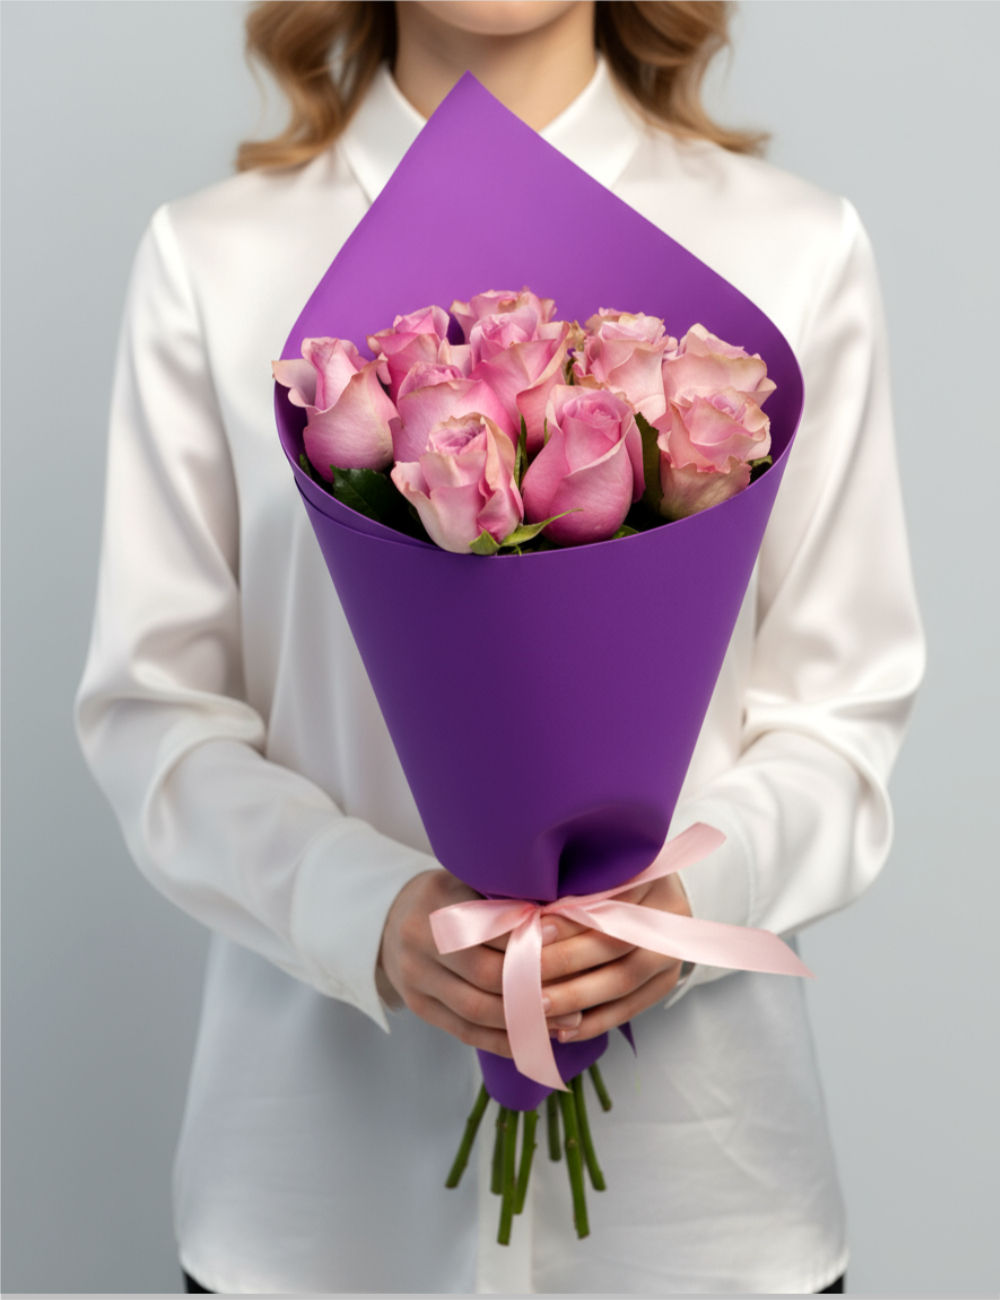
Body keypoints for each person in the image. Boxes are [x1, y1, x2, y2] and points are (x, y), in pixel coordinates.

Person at [75, 1, 924, 1293]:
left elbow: (843, 714)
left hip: (704, 1213)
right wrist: (367, 913)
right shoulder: (212, 262)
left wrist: (692, 907)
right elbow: (156, 714)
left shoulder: (795, 252)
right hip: (315, 1211)